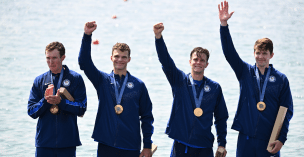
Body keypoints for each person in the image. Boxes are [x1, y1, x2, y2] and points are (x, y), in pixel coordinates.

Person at [218, 1, 294, 156]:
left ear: (271, 55)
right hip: (245, 139)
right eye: (258, 53)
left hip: (269, 140)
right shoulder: (245, 72)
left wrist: (281, 139)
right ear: (254, 54)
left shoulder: (281, 79)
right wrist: (224, 25)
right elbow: (229, 53)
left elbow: (287, 111)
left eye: (264, 53)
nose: (260, 57)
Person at [78, 21, 154, 157]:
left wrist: (147, 145)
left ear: (129, 59)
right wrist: (87, 35)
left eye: (124, 57)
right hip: (106, 144)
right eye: (117, 56)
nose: (120, 60)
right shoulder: (102, 80)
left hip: (131, 145)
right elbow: (84, 62)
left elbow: (147, 116)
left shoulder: (138, 85)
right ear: (111, 58)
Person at [153, 22, 229, 157]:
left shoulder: (214, 88)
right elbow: (165, 60)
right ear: (190, 62)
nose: (198, 62)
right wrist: (158, 37)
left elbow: (221, 117)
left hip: (204, 146)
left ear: (207, 64)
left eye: (202, 60)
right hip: (181, 145)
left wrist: (221, 143)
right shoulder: (179, 81)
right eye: (195, 59)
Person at [27, 41, 87, 157]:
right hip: (44, 143)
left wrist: (62, 102)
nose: (50, 62)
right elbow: (31, 111)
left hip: (67, 143)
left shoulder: (75, 79)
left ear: (63, 57)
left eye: (54, 58)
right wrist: (45, 101)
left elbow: (82, 108)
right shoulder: (39, 81)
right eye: (48, 58)